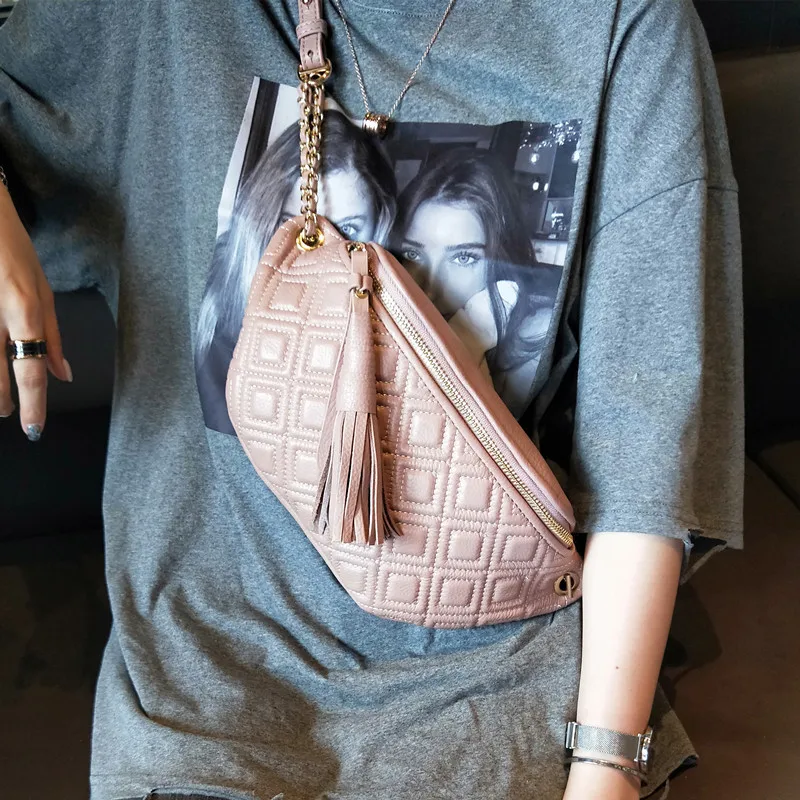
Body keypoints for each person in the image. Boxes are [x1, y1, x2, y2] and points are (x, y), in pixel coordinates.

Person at [0, 2, 744, 800]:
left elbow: (645, 449)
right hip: (205, 707)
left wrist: (606, 769)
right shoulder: (159, 20)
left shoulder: (623, 24)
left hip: (498, 697)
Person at [195, 109, 397, 433]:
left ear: (380, 224)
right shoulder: (220, 311)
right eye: (298, 228)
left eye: (347, 228)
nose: (319, 255)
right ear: (264, 220)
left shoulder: (392, 326)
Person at [393, 148, 560, 417]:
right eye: (413, 254)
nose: (430, 289)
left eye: (463, 258)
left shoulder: (535, 338)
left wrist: (465, 346)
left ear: (501, 258)